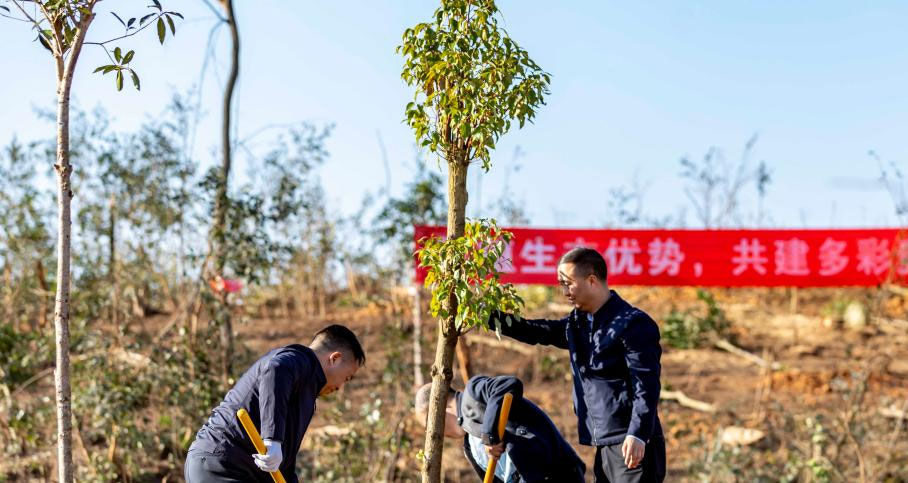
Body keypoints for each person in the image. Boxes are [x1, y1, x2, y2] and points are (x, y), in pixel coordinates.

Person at [490, 247, 666, 483]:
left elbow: (646, 385)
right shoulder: (578, 324)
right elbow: (535, 331)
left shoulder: (632, 324)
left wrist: (638, 434)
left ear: (592, 280)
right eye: (560, 284)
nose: (564, 292)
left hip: (632, 443)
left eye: (568, 283)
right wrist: (486, 316)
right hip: (605, 445)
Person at [185, 324, 365, 483]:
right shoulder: (299, 360)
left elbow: (284, 464)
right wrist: (272, 439)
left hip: (238, 470)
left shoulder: (306, 391)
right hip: (222, 464)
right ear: (334, 359)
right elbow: (276, 369)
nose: (341, 386)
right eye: (346, 378)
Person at [415, 374, 586, 483]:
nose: (438, 434)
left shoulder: (472, 394)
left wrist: (490, 436)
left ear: (440, 411)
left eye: (431, 426)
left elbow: (508, 384)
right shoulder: (470, 448)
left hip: (555, 473)